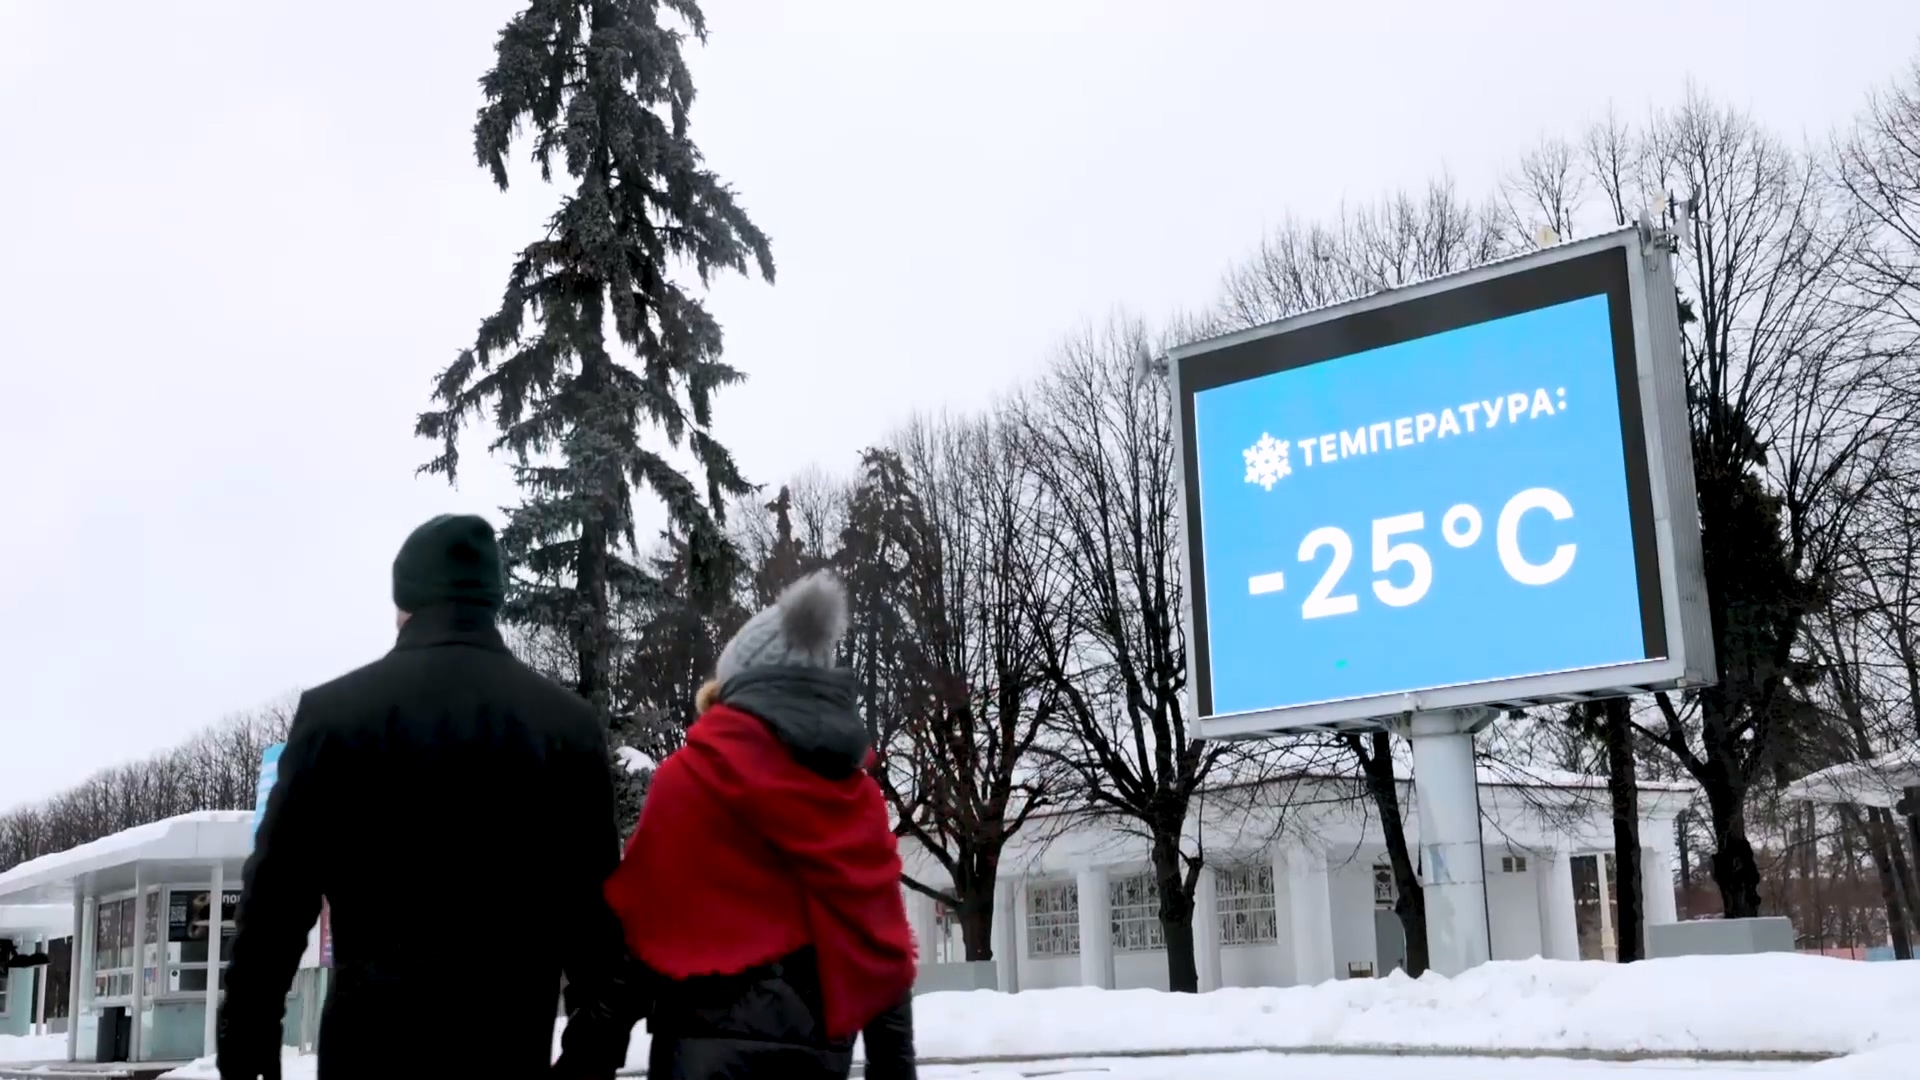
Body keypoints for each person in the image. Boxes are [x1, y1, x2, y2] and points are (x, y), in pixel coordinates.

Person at [218, 515, 632, 1080]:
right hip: (508, 1053)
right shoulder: (567, 726)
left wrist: (246, 1045)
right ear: (490, 597)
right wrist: (591, 1056)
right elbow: (597, 925)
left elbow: (275, 902)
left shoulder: (334, 717)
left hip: (369, 1056)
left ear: (405, 599)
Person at [558, 571, 917, 1080]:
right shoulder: (856, 801)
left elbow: (641, 942)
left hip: (696, 1063)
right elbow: (885, 968)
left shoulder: (689, 780)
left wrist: (587, 1052)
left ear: (740, 687)